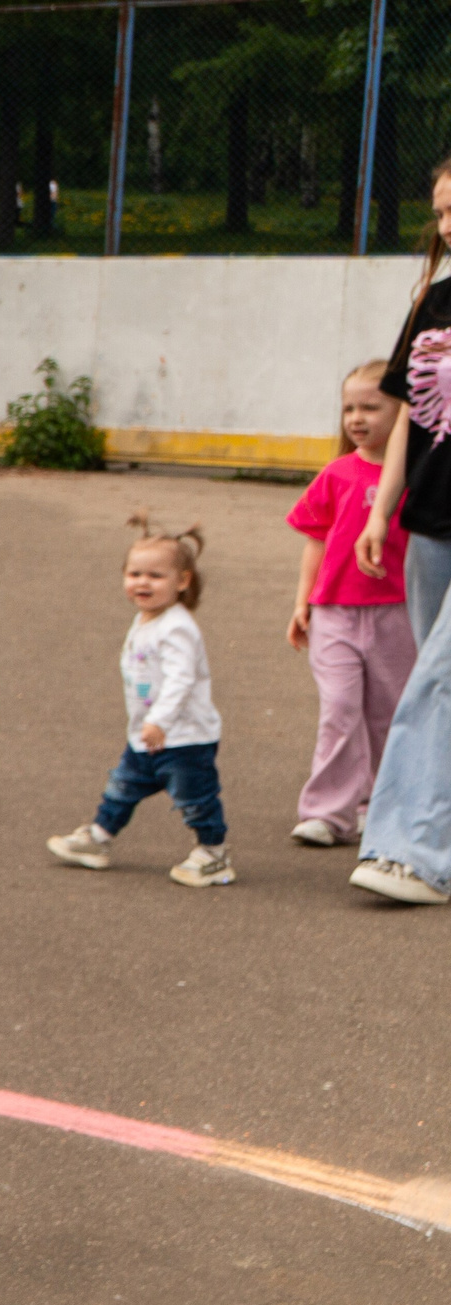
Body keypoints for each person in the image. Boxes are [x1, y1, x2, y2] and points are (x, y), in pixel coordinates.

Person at [351, 157, 451, 906]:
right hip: (431, 519)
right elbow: (409, 416)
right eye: (442, 214)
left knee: (438, 680)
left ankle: (409, 850)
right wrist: (383, 509)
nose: (448, 228)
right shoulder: (434, 300)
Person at [47, 518, 232, 887]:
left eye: (156, 576)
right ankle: (98, 838)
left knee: (195, 799)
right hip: (147, 734)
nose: (142, 582)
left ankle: (214, 853)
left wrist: (160, 720)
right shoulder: (146, 619)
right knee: (122, 787)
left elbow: (181, 679)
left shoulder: (176, 626)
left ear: (182, 581)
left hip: (183, 739)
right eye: (134, 574)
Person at [284, 361, 414, 847]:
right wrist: (303, 603)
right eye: (348, 408)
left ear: (402, 412)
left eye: (370, 407)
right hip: (334, 613)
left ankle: (381, 805)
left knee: (389, 715)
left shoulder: (416, 479)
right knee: (339, 709)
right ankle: (326, 812)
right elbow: (315, 542)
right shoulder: (336, 473)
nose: (356, 417)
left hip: (397, 613)